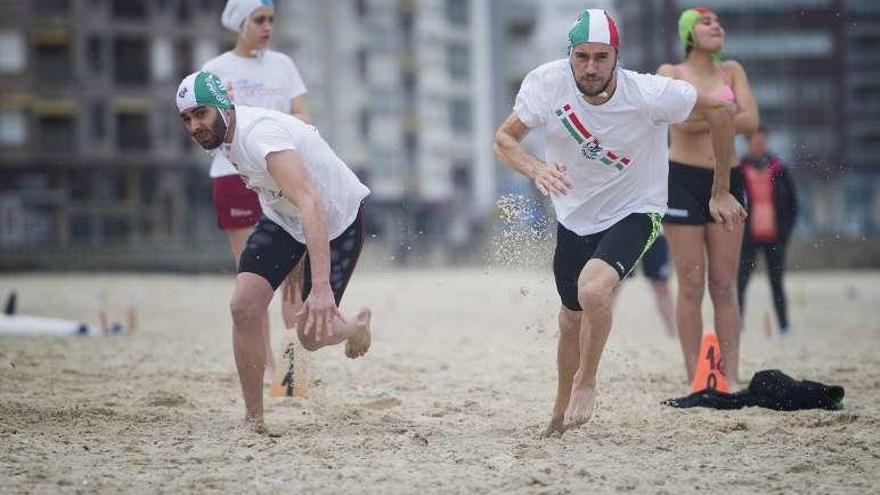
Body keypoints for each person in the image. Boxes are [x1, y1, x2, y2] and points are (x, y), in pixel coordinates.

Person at [493, 9, 745, 436]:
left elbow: (722, 113)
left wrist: (719, 190)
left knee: (592, 290)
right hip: (574, 214)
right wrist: (536, 170)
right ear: (569, 55)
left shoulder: (648, 93)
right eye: (582, 57)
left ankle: (587, 380)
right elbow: (504, 139)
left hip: (637, 208)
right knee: (570, 317)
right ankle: (558, 413)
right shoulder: (546, 83)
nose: (590, 68)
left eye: (601, 57)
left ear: (616, 57)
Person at [175, 71, 372, 430]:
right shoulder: (225, 139)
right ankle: (254, 420)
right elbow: (280, 194)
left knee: (311, 337)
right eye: (186, 119)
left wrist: (322, 288)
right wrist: (293, 250)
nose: (194, 126)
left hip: (336, 219)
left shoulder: (258, 135)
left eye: (200, 113)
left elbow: (312, 203)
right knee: (243, 308)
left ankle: (356, 325)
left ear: (223, 106)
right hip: (286, 219)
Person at [203, 0, 312, 380]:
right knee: (254, 279)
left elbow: (302, 115)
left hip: (281, 174)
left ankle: (291, 372)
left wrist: (267, 127)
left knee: (294, 281)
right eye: (259, 20)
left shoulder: (283, 64)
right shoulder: (214, 71)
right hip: (233, 178)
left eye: (271, 20)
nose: (268, 27)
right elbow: (209, 127)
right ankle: (266, 368)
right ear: (240, 23)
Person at [658, 7, 759, 385]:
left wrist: (709, 116)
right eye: (705, 22)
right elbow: (675, 121)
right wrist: (722, 113)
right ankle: (696, 377)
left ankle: (729, 377)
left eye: (718, 21)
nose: (716, 26)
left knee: (723, 285)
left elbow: (751, 121)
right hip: (681, 178)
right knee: (691, 284)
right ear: (688, 33)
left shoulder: (731, 70)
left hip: (727, 179)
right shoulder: (671, 73)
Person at [737, 125, 798, 335]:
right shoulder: (739, 170)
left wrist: (786, 233)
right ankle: (738, 326)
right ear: (748, 144)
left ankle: (784, 326)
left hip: (775, 236)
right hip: (747, 236)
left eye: (762, 142)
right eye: (755, 142)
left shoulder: (780, 169)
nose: (759, 146)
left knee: (777, 283)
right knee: (740, 282)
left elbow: (792, 204)